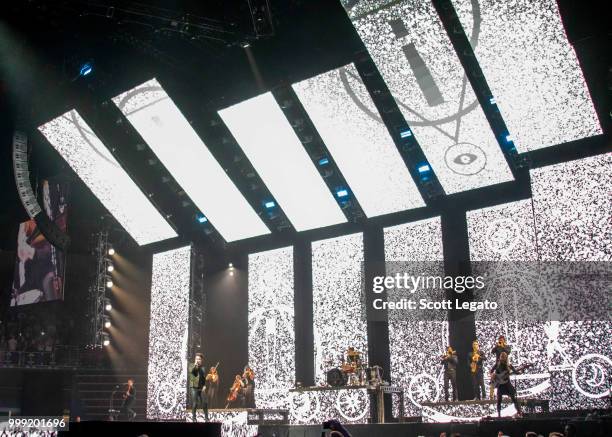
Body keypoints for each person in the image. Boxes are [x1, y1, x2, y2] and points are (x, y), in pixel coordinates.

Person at [490, 352, 522, 417]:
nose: (503, 358)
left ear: (506, 358)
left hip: (507, 383)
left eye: (504, 357)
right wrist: (493, 375)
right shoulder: (497, 364)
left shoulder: (509, 365)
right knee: (499, 400)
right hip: (500, 384)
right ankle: (499, 415)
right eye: (502, 357)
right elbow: (491, 371)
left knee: (513, 398)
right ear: (500, 357)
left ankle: (519, 412)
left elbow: (515, 372)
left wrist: (520, 372)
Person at [189, 353, 209, 421]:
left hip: (201, 387)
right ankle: (194, 418)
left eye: (199, 359)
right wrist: (196, 366)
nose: (198, 360)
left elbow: (203, 378)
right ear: (195, 359)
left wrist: (204, 385)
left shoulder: (203, 368)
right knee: (195, 403)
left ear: (202, 360)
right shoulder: (191, 366)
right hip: (194, 387)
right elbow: (193, 374)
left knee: (205, 403)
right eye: (196, 359)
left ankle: (206, 418)